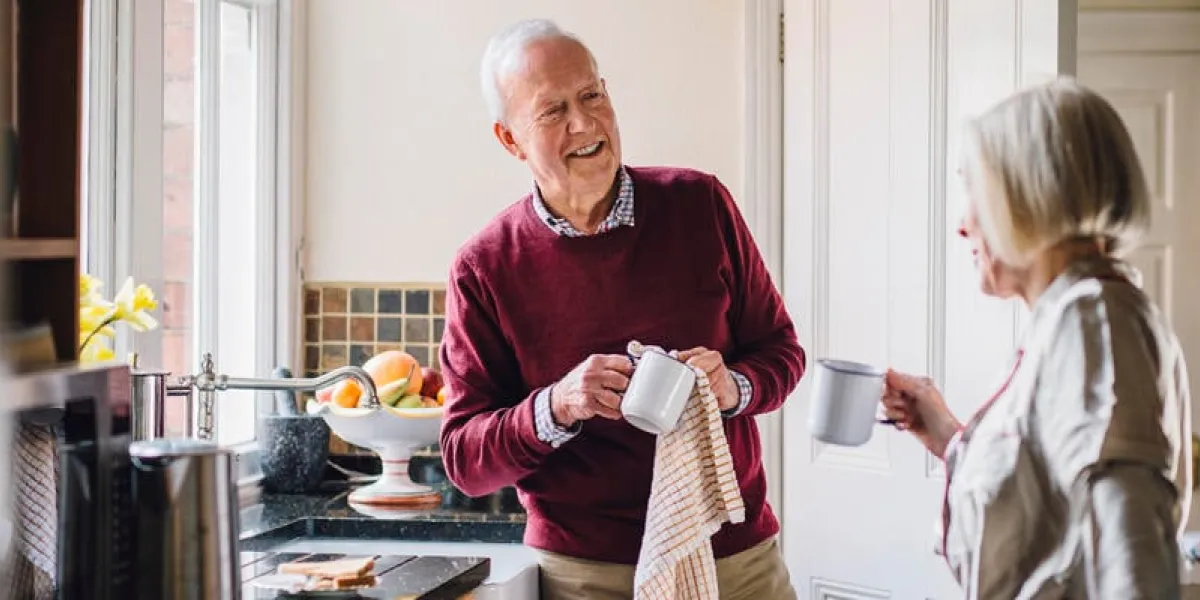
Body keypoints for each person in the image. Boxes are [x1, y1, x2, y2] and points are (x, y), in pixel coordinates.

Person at [437, 18, 805, 600]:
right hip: (585, 575)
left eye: (591, 96)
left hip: (737, 560)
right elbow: (464, 458)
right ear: (511, 140)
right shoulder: (484, 266)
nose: (584, 124)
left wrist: (731, 386)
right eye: (552, 111)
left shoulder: (701, 204)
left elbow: (782, 352)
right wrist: (557, 406)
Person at [882, 77, 1192, 599]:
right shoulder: (1075, 317)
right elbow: (1048, 512)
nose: (963, 224)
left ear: (1030, 196)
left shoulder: (1094, 320)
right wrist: (949, 438)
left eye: (976, 193)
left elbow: (1128, 546)